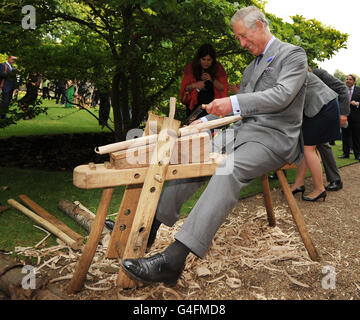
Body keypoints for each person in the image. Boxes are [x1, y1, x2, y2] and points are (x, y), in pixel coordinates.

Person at [120, 6, 308, 286]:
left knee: (226, 170)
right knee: (195, 159)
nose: (242, 44)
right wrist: (205, 120)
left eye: (244, 37)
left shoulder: (292, 55)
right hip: (242, 131)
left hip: (275, 138)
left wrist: (232, 102)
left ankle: (174, 260)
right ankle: (150, 229)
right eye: (239, 39)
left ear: (259, 25)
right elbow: (235, 111)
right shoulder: (251, 66)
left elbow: (280, 96)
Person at [290, 69, 341, 201]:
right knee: (305, 147)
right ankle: (299, 183)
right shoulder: (293, 71)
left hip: (322, 107)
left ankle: (319, 189)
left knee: (308, 149)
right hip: (320, 108)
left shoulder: (293, 73)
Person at [312, 68, 350, 191]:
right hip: (302, 115)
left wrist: (343, 114)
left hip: (322, 113)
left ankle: (335, 179)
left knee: (322, 144)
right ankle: (281, 173)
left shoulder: (318, 73)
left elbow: (342, 89)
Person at [180, 44, 228, 123]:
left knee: (210, 131)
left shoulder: (218, 68)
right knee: (194, 130)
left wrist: (212, 79)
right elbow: (185, 89)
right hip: (194, 108)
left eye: (209, 60)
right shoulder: (191, 68)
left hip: (212, 107)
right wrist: (195, 85)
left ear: (213, 60)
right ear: (199, 59)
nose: (206, 62)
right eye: (203, 59)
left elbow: (223, 88)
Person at [339, 74, 360, 160]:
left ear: (354, 81)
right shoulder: (343, 90)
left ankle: (357, 155)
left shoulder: (359, 90)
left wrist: (358, 104)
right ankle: (345, 153)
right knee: (345, 136)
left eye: (350, 79)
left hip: (356, 118)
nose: (347, 80)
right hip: (345, 117)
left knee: (356, 137)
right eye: (347, 79)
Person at [0, 56, 18, 120]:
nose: (14, 61)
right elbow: (2, 74)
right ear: (8, 58)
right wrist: (10, 73)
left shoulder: (14, 68)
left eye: (15, 60)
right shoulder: (2, 65)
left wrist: (16, 88)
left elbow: (15, 79)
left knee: (8, 102)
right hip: (4, 86)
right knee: (5, 101)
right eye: (13, 59)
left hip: (11, 87)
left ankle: (3, 115)